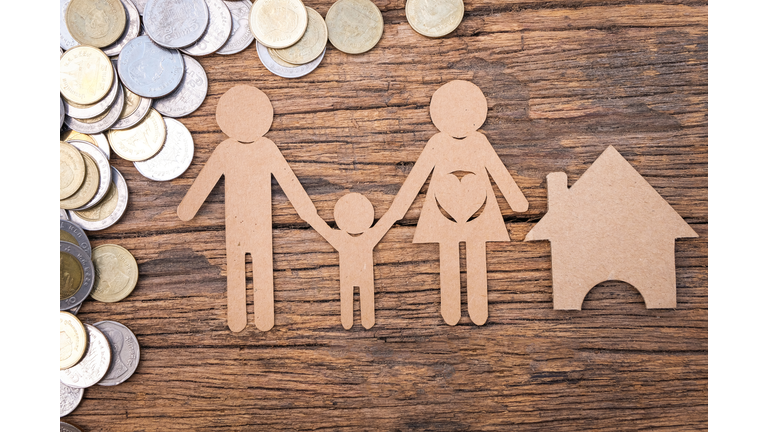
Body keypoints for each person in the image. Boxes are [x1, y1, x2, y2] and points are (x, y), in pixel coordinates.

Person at [177, 85, 318, 332]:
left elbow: (289, 182)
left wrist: (307, 210)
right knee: (238, 267)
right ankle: (239, 318)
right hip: (237, 225)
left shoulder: (266, 148)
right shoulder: (227, 150)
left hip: (260, 224)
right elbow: (205, 182)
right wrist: (188, 208)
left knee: (260, 265)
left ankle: (263, 318)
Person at [387, 80, 529, 325]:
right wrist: (399, 208)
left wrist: (516, 200)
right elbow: (419, 175)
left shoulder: (479, 142)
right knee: (448, 254)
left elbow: (498, 170)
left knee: (476, 254)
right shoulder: (437, 143)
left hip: (478, 210)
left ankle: (477, 308)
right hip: (443, 210)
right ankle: (450, 310)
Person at [304, 193, 400, 330]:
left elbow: (393, 215)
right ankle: (352, 322)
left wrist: (309, 215)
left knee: (362, 302)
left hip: (361, 276)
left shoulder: (349, 239)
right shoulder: (367, 237)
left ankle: (361, 322)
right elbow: (392, 215)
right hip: (350, 277)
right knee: (349, 303)